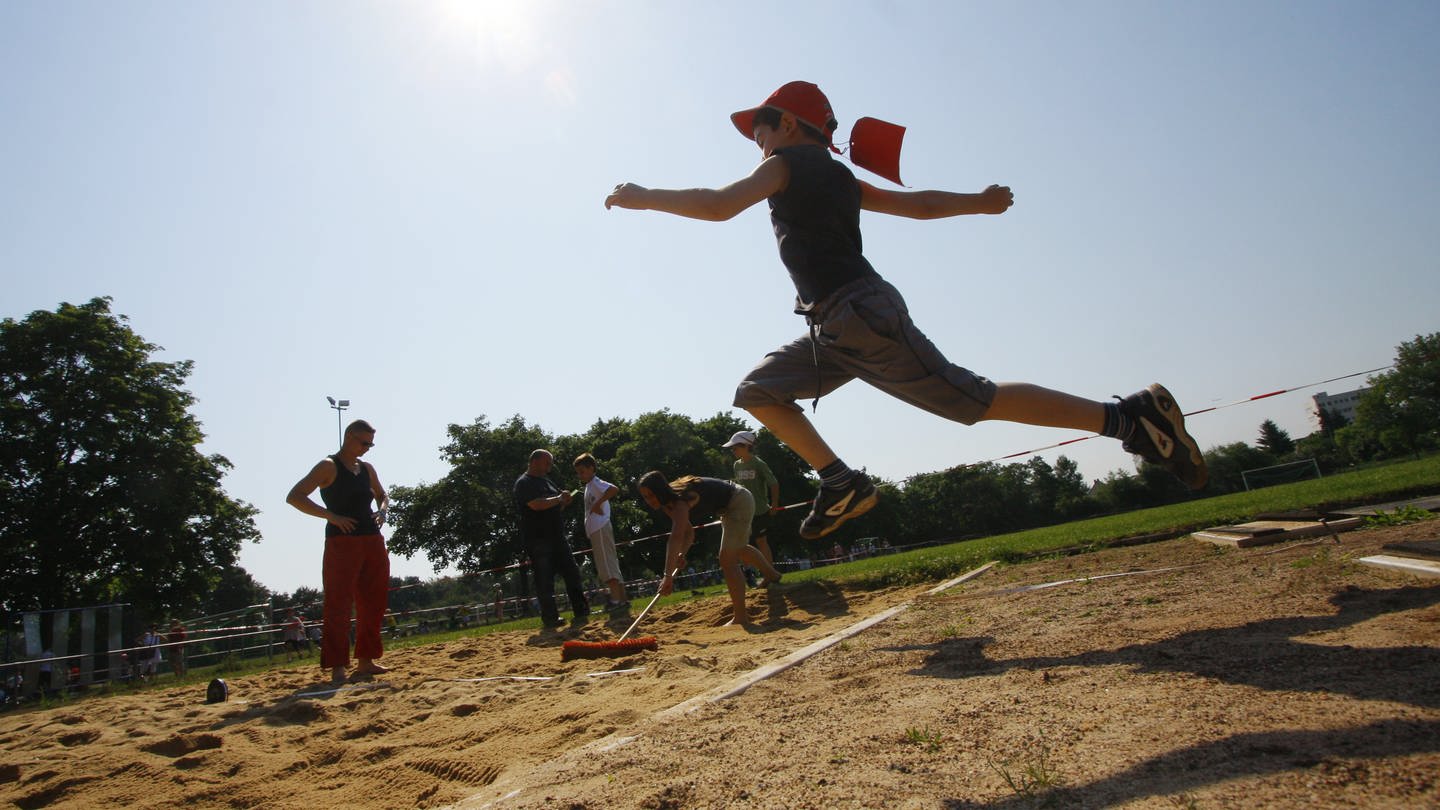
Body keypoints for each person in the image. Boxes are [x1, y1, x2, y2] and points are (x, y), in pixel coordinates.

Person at [605, 81, 1207, 540]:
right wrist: (982, 202)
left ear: (787, 124)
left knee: (973, 400)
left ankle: (1129, 418)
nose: (756, 146)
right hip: (832, 326)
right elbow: (916, 205)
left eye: (758, 134)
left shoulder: (788, 163)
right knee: (759, 391)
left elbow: (717, 206)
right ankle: (841, 482)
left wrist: (642, 197)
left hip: (858, 315)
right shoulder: (837, 175)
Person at [286, 418, 391, 683]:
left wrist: (382, 510)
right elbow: (295, 496)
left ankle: (366, 661)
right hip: (341, 542)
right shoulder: (328, 466)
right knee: (339, 603)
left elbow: (382, 494)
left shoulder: (367, 468)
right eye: (363, 442)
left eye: (371, 443)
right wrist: (331, 516)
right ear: (349, 436)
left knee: (374, 602)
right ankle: (338, 667)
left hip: (372, 538)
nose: (367, 448)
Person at [636, 470, 783, 627]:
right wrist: (682, 554)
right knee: (738, 548)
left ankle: (741, 618)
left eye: (651, 495)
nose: (649, 501)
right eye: (645, 497)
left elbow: (676, 537)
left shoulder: (679, 502)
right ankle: (772, 575)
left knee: (727, 559)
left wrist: (667, 575)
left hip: (739, 501)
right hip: (730, 507)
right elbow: (688, 533)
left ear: (660, 491)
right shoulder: (668, 505)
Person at [513, 449, 590, 629]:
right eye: (547, 463)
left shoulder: (547, 481)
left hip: (558, 536)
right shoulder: (524, 483)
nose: (550, 467)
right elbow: (536, 505)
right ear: (536, 461)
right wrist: (558, 499)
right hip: (538, 539)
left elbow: (554, 507)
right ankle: (550, 617)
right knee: (544, 579)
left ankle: (581, 610)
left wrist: (564, 501)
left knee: (572, 572)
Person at [573, 453, 628, 611]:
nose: (580, 475)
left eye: (582, 471)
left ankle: (616, 600)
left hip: (600, 527)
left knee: (606, 565)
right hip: (597, 529)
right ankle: (622, 599)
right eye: (578, 472)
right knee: (609, 562)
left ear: (591, 468)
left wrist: (598, 503)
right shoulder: (589, 486)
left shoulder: (595, 482)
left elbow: (613, 489)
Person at [722, 430, 781, 569]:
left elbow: (774, 483)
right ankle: (750, 575)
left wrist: (774, 505)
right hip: (744, 511)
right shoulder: (737, 465)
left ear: (746, 446)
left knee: (761, 541)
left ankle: (770, 575)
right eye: (732, 448)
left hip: (760, 510)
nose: (733, 451)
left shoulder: (758, 463)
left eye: (735, 447)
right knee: (741, 544)